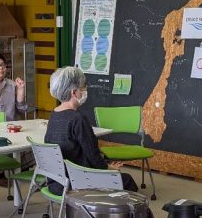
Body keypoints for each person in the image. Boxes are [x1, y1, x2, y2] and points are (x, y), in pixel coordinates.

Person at [44, 66, 135, 194]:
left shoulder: (54, 114)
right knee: (127, 180)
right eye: (83, 87)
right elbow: (92, 154)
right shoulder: (78, 119)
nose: (86, 90)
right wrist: (108, 168)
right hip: (76, 182)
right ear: (74, 93)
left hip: (56, 182)